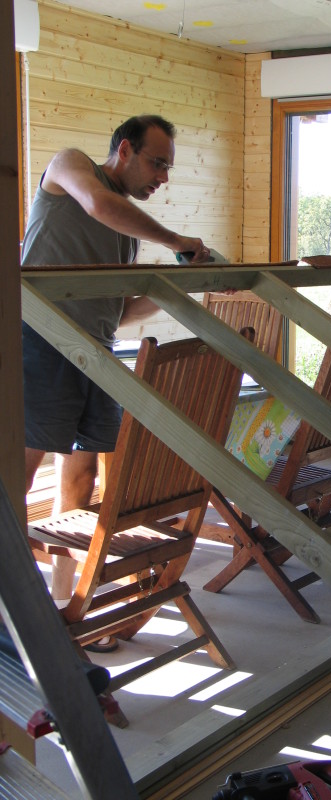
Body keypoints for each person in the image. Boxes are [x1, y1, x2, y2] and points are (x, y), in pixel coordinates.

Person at [22, 114, 212, 652]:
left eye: (169, 168)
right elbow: (99, 204)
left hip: (95, 352)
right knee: (17, 478)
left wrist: (178, 285)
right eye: (157, 163)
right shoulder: (70, 167)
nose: (163, 178)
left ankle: (65, 610)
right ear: (124, 150)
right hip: (40, 340)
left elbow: (116, 310)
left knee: (82, 480)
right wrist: (175, 240)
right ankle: (16, 616)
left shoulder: (126, 234)